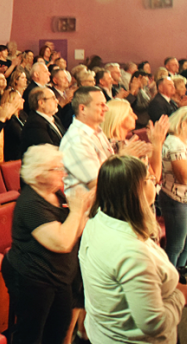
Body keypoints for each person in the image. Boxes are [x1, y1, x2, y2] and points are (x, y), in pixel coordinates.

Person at [80, 155, 184, 344]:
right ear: (134, 192)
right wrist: (178, 297)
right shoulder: (131, 252)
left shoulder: (97, 221)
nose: (154, 182)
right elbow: (153, 323)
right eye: (149, 180)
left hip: (104, 333)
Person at [2, 144, 92, 344]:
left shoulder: (55, 194)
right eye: (56, 168)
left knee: (58, 330)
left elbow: (74, 232)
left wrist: (85, 210)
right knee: (32, 335)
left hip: (59, 277)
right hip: (33, 279)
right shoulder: (30, 204)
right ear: (38, 174)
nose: (63, 172)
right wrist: (77, 212)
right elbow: (62, 243)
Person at [161, 107, 187, 269]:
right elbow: (184, 178)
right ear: (184, 124)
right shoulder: (174, 143)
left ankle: (179, 273)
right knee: (176, 245)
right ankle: (170, 282)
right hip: (176, 200)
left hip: (181, 199)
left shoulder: (182, 142)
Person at [21, 87, 65, 156]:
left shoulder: (55, 118)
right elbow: (48, 150)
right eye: (53, 98)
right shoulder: (35, 123)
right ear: (41, 103)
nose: (57, 101)